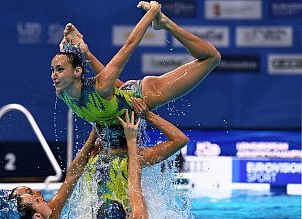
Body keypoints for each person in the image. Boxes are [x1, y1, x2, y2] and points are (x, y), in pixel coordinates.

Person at [0, 99, 188, 219]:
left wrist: (94, 132)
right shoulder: (135, 159)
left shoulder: (94, 160)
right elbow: (134, 184)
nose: (39, 193)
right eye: (34, 196)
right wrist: (146, 117)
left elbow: (72, 175)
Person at [52, 1, 221, 131]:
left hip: (147, 93)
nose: (54, 75)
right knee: (111, 88)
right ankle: (84, 49)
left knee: (212, 57)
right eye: (53, 70)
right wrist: (75, 50)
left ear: (77, 72)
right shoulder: (62, 93)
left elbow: (129, 46)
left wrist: (152, 14)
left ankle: (164, 23)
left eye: (59, 70)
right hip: (120, 96)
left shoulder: (99, 86)